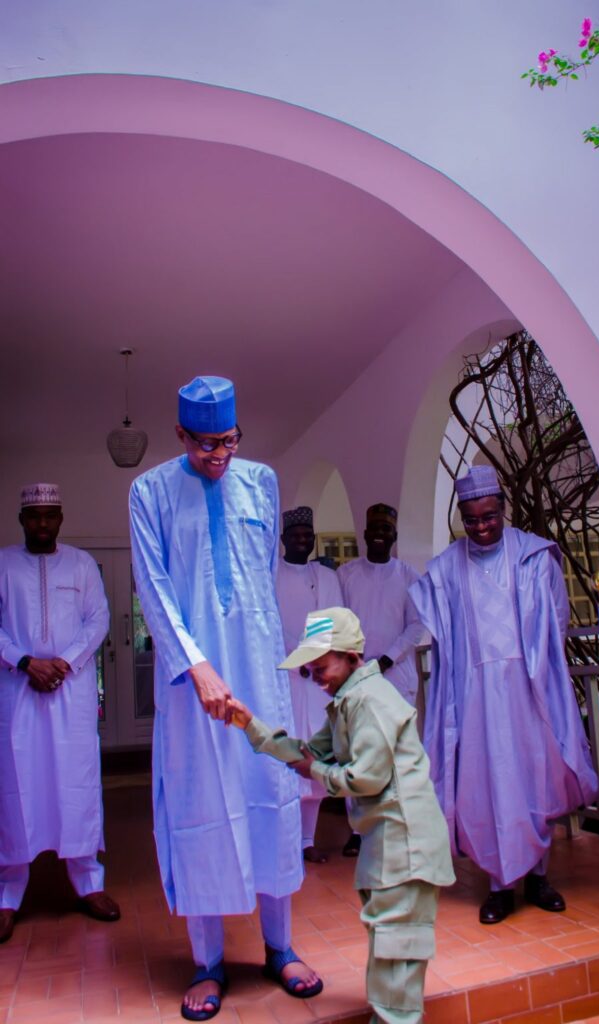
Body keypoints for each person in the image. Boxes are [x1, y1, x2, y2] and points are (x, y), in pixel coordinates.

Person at [129, 376, 322, 1022]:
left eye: (229, 442)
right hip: (193, 687)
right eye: (206, 444)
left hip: (258, 671)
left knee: (269, 795)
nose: (219, 456)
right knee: (201, 804)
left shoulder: (260, 482)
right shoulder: (148, 493)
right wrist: (197, 662)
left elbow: (259, 576)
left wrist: (248, 651)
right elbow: (153, 588)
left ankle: (279, 947)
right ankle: (209, 963)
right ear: (180, 434)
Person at [226, 607, 455, 1024]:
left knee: (398, 949)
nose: (317, 677)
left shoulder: (370, 700)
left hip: (406, 844)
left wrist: (317, 771)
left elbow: (365, 778)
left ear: (352, 655)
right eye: (310, 670)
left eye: (322, 665)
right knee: (389, 946)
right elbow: (306, 755)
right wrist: (249, 725)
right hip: (386, 842)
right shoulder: (348, 702)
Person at [410, 465, 598, 925]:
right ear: (461, 517)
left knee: (534, 779)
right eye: (471, 520)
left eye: (489, 517)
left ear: (503, 509)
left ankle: (537, 876)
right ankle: (498, 886)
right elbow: (436, 625)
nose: (481, 527)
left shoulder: (536, 556)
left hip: (528, 691)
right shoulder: (446, 569)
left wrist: (537, 676)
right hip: (473, 698)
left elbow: (556, 622)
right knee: (485, 788)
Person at [0, 483, 120, 944]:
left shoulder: (82, 564)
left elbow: (100, 619)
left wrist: (63, 661)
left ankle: (89, 883)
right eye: (34, 516)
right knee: (16, 785)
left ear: (61, 518)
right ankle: (8, 893)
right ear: (22, 518)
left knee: (77, 781)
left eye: (50, 516)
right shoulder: (4, 564)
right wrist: (26, 661)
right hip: (18, 688)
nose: (42, 524)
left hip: (70, 690)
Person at [338, 503, 424, 857]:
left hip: (396, 676)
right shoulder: (346, 575)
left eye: (385, 530)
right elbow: (338, 620)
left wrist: (388, 657)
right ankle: (360, 831)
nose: (378, 535)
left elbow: (417, 624)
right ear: (364, 533)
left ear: (394, 537)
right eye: (373, 528)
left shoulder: (408, 576)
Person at [276, 505, 342, 863]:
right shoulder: (272, 573)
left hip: (318, 681)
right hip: (284, 678)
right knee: (286, 759)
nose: (302, 541)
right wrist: (297, 655)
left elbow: (333, 617)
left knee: (315, 762)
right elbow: (269, 621)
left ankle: (307, 841)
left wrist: (314, 657)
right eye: (296, 535)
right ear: (284, 539)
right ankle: (285, 844)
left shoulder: (326, 576)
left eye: (307, 535)